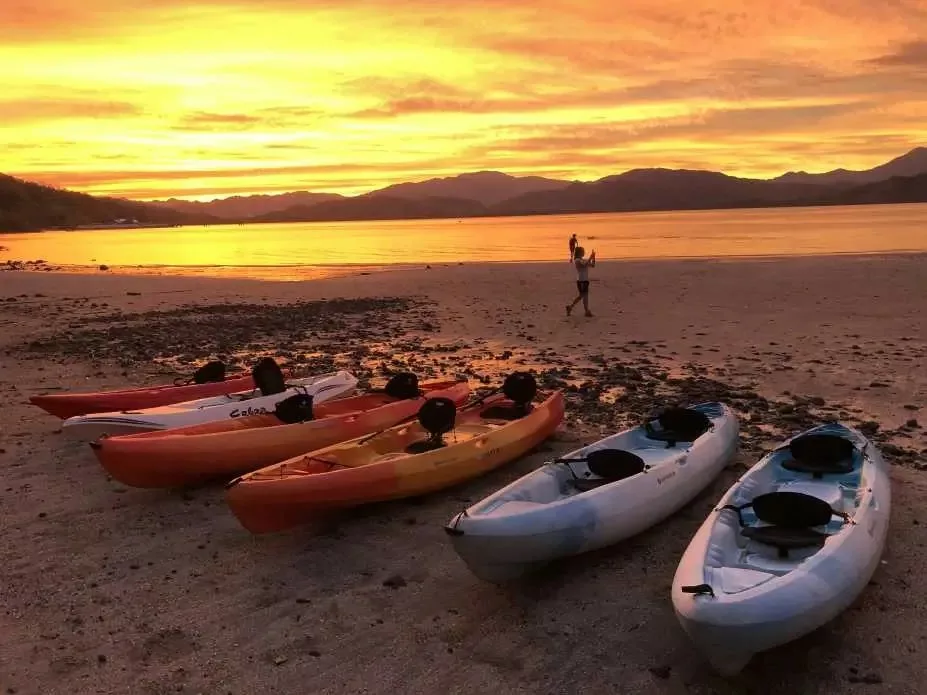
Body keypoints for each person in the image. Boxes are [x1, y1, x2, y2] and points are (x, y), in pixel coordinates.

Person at [566, 246, 596, 317]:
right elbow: (584, 265)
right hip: (581, 280)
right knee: (582, 295)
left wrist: (593, 257)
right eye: (583, 251)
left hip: (585, 280)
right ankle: (571, 307)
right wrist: (590, 257)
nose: (584, 252)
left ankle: (586, 311)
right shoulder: (577, 260)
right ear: (579, 252)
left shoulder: (583, 260)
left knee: (585, 296)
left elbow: (592, 265)